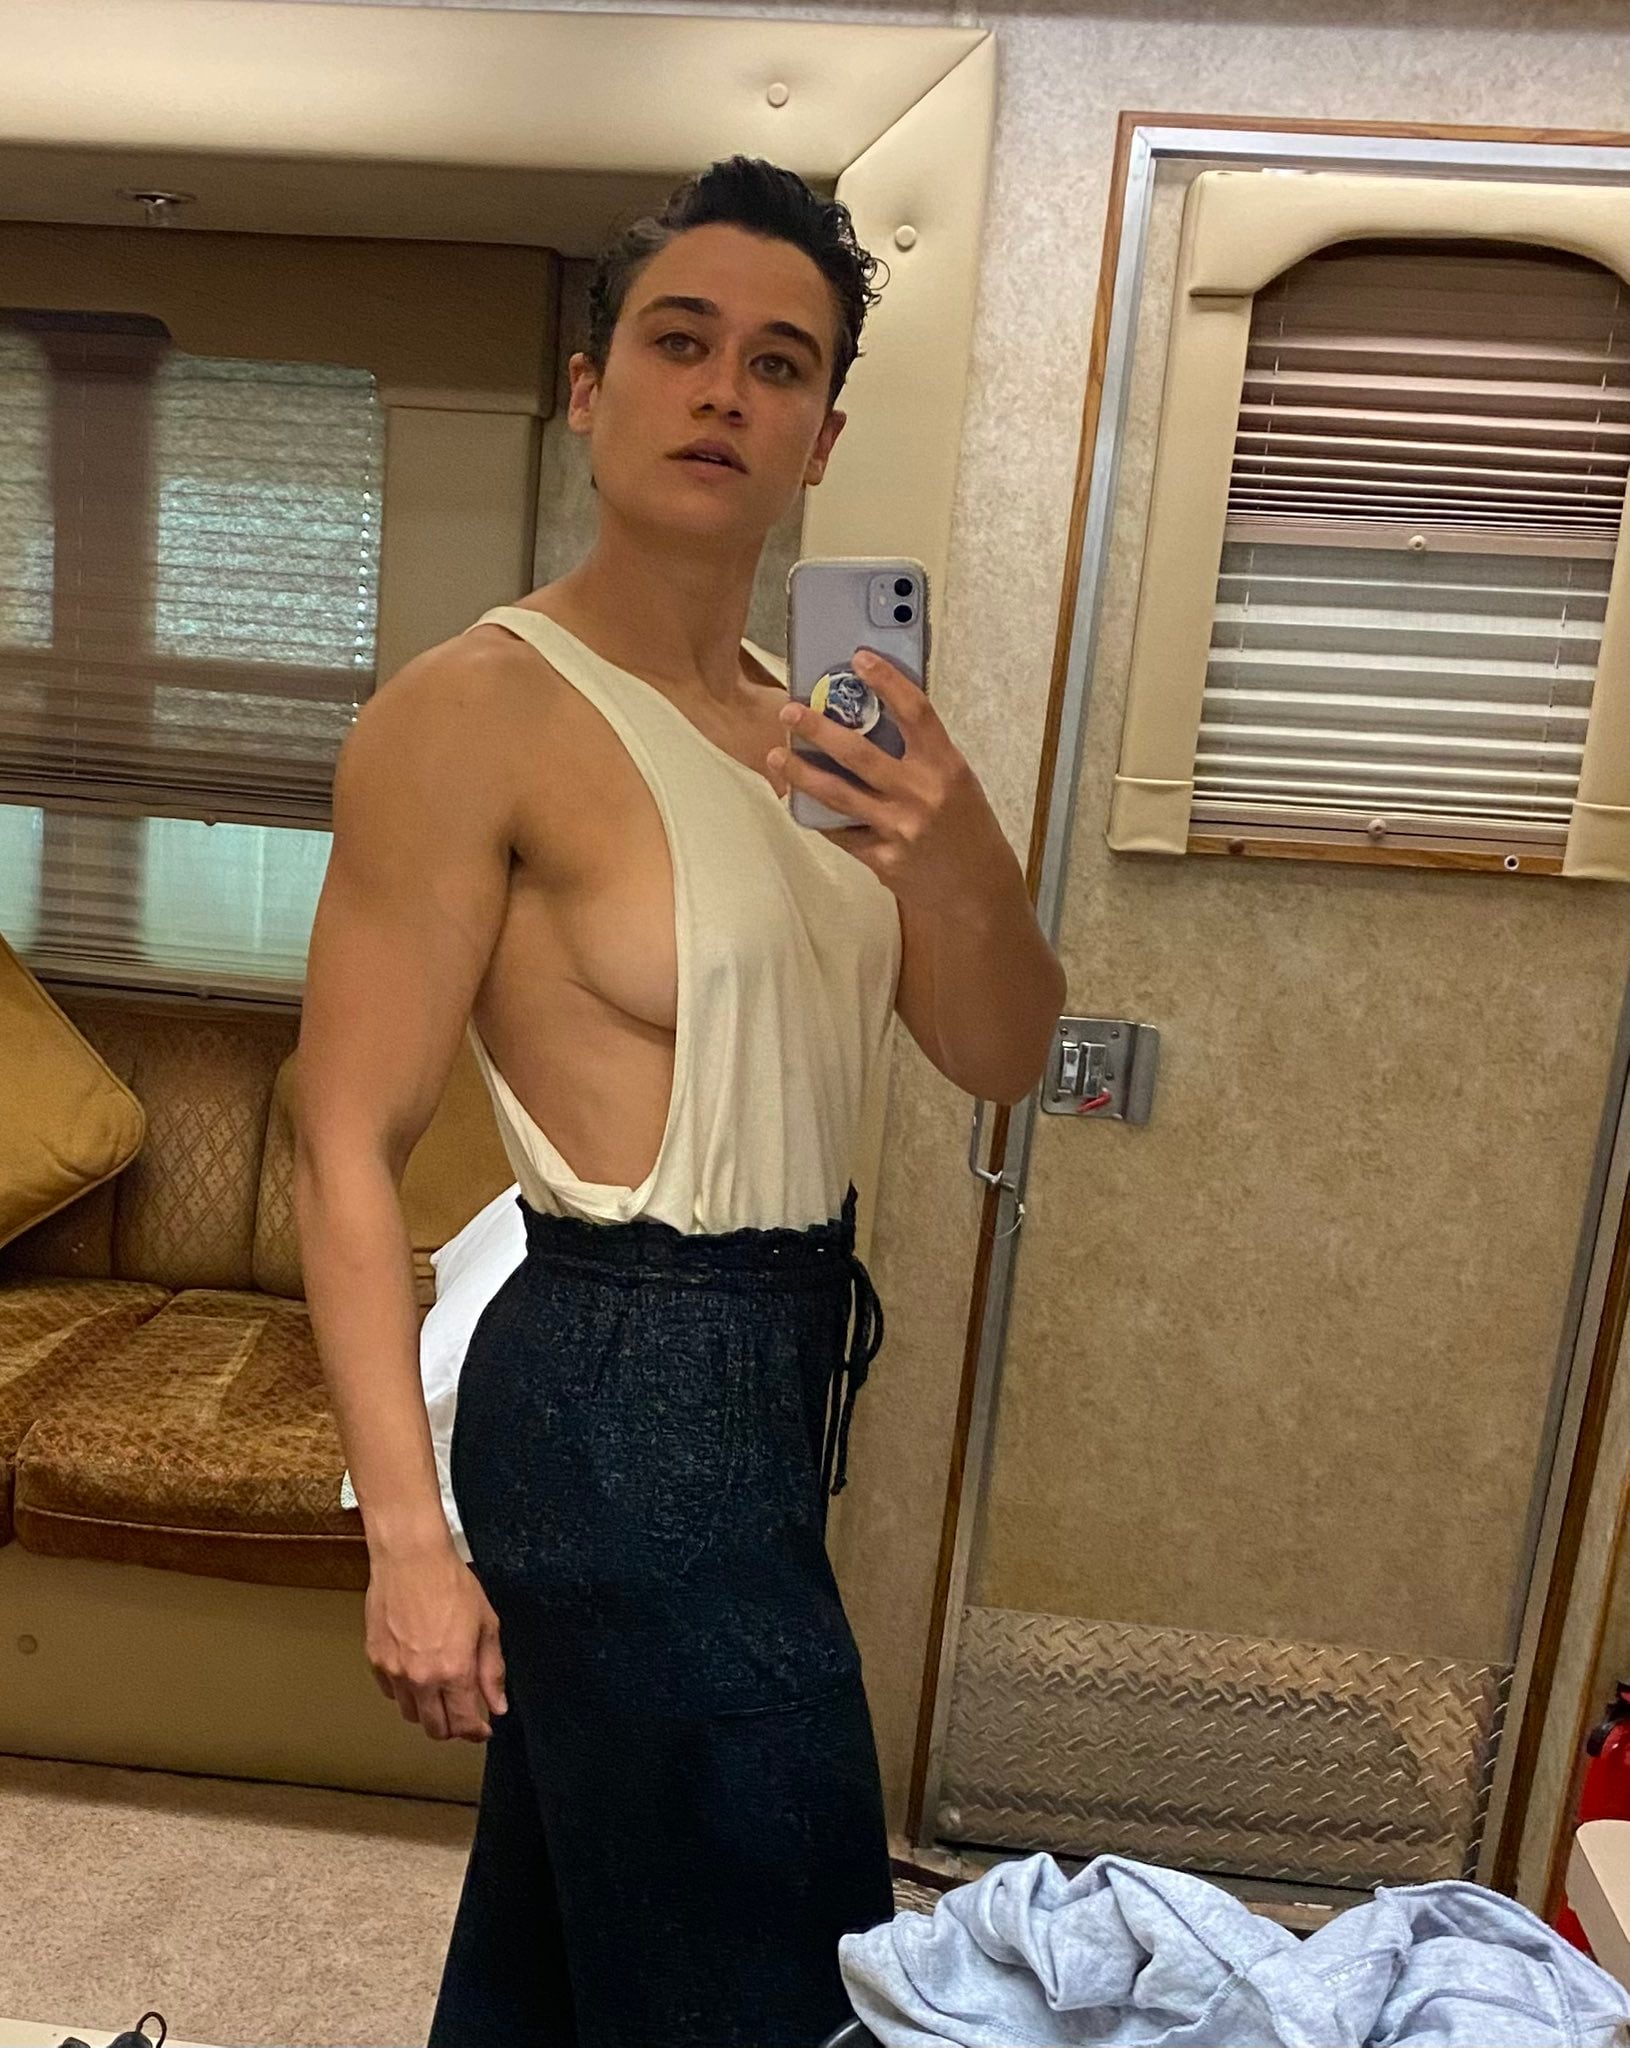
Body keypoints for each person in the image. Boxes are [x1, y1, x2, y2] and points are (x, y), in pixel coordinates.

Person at [293, 155, 1066, 2048]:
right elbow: (339, 1137)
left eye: (778, 363)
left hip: (773, 1378)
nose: (724, 390)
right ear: (590, 387)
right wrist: (406, 1540)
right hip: (611, 1387)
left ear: (821, 436)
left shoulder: (824, 735)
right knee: (781, 1945)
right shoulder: (473, 712)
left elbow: (998, 1053)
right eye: (680, 341)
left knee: (578, 1920)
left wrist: (959, 855)